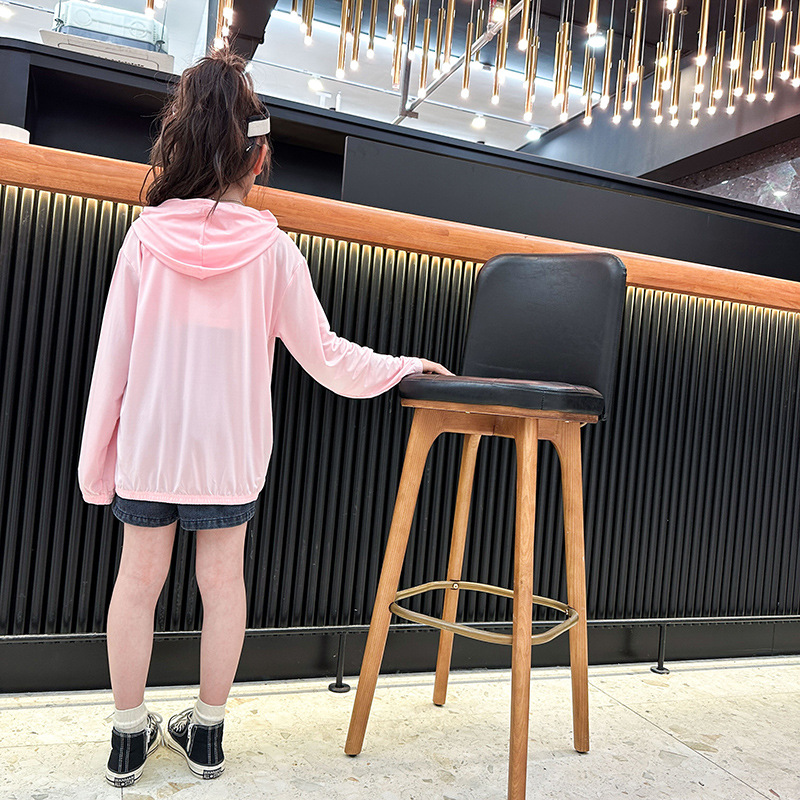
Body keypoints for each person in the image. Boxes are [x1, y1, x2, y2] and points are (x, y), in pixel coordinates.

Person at [77, 47, 452, 788]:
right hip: (229, 455)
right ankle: (207, 734)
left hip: (149, 450)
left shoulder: (143, 240)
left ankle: (126, 738)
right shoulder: (273, 251)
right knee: (224, 584)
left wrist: (98, 467)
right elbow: (327, 356)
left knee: (136, 583)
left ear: (178, 147)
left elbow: (110, 364)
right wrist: (404, 366)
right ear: (257, 158)